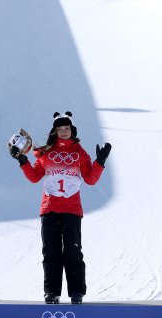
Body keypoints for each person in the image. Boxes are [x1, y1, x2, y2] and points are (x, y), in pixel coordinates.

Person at [10, 112, 111, 305]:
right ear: (54, 131)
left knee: (73, 253)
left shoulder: (80, 153)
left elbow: (90, 179)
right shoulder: (45, 152)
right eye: (60, 129)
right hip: (49, 209)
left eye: (66, 128)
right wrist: (22, 161)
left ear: (72, 130)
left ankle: (76, 293)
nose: (63, 132)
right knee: (51, 253)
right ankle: (52, 293)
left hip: (72, 210)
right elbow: (34, 177)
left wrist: (100, 162)